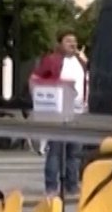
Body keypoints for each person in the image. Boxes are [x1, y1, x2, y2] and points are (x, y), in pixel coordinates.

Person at [31, 32, 87, 198]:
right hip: (59, 110)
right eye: (68, 41)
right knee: (55, 150)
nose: (73, 44)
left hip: (78, 110)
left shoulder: (80, 61)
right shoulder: (52, 59)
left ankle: (72, 185)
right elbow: (35, 78)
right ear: (60, 44)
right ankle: (51, 186)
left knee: (75, 151)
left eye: (75, 41)